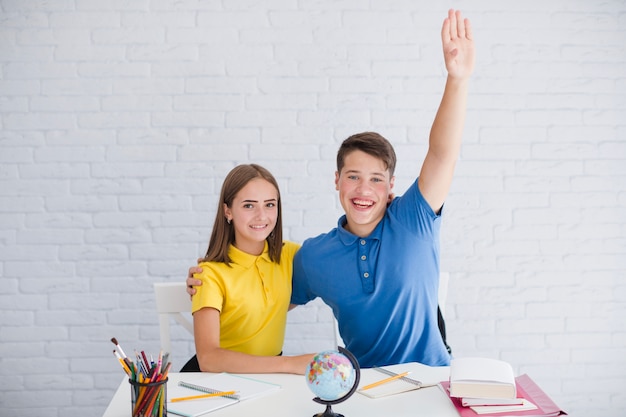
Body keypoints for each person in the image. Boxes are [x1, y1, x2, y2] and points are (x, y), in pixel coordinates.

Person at [186, 9, 475, 369]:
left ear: (391, 188)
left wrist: (457, 79)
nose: (363, 189)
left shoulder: (414, 218)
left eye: (376, 179)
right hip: (362, 388)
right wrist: (211, 279)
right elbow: (263, 293)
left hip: (431, 382)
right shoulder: (313, 256)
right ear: (336, 181)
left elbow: (442, 154)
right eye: (353, 176)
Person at [182, 163, 315, 374]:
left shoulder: (289, 255)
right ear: (228, 211)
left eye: (270, 205)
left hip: (268, 380)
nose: (262, 216)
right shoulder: (209, 274)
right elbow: (208, 359)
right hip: (217, 383)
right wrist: (289, 364)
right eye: (249, 206)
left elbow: (334, 264)